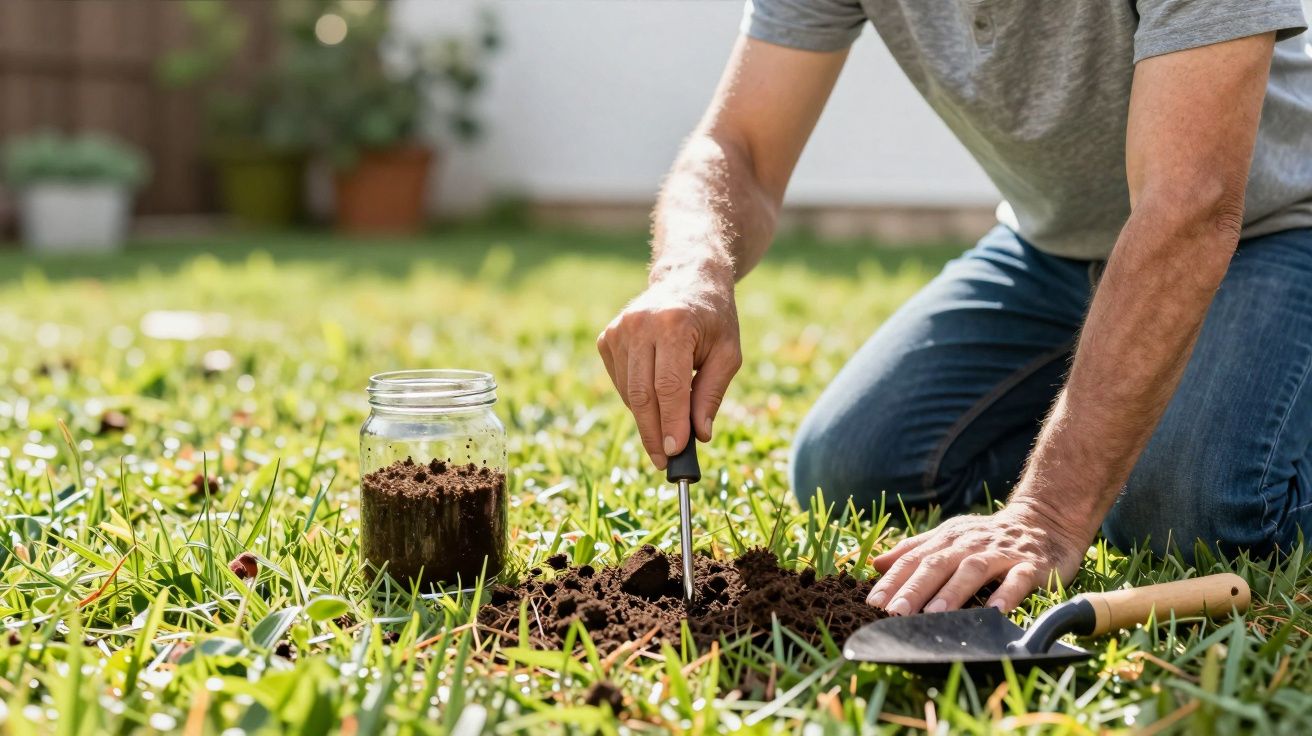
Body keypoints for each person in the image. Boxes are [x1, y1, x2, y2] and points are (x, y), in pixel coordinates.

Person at [596, 0, 1312, 615]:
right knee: (854, 466)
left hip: (1277, 228)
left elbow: (1191, 204)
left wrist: (1048, 512)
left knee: (1190, 515)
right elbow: (743, 144)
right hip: (1052, 246)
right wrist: (692, 269)